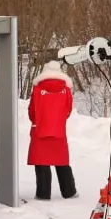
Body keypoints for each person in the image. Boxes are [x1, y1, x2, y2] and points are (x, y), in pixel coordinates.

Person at [28, 60, 78, 200]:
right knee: (61, 160)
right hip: (59, 130)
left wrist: (37, 121)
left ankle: (43, 193)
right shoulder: (66, 90)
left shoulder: (38, 89)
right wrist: (59, 120)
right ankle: (69, 191)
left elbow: (32, 110)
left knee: (41, 160)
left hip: (40, 129)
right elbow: (68, 109)